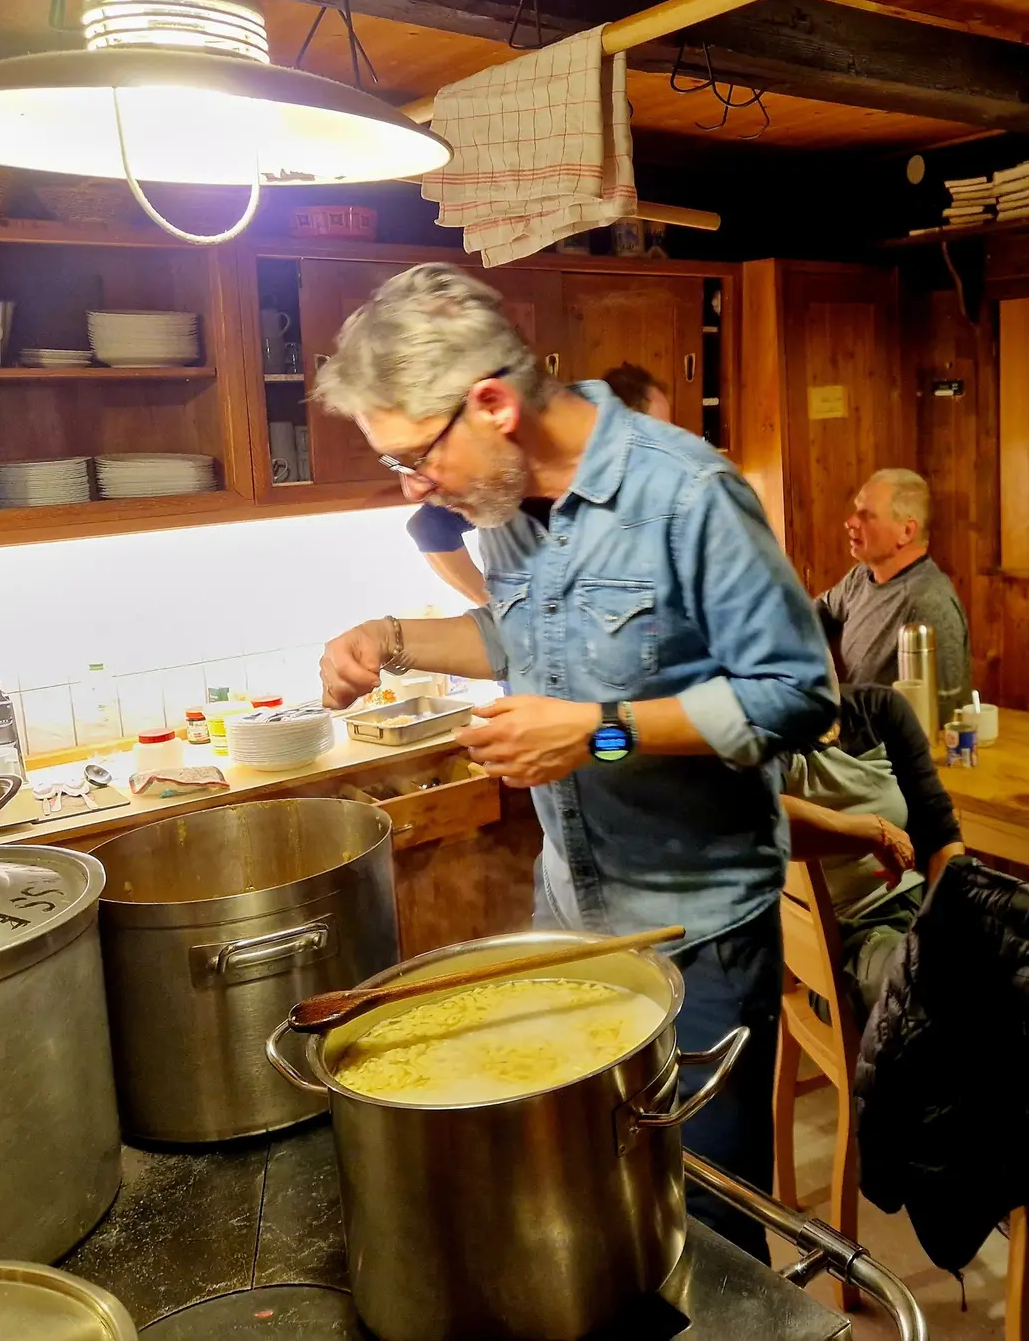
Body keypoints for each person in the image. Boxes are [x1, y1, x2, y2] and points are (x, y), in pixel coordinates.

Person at [309, 266, 835, 1260]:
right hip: (572, 915)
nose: (416, 489)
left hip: (698, 933)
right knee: (602, 1206)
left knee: (711, 1232)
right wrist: (391, 638)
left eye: (415, 460)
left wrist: (596, 730)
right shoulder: (505, 509)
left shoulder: (688, 496)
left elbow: (797, 696)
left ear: (494, 405)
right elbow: (521, 641)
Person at [405, 363, 673, 607]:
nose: (661, 446)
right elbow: (430, 528)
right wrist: (489, 604)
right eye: (654, 430)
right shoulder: (519, 482)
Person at [780, 682, 967, 1021]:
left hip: (922, 907)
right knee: (931, 986)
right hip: (847, 944)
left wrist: (944, 919)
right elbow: (754, 811)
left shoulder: (878, 709)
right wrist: (868, 832)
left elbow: (942, 833)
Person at [814, 468, 971, 723]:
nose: (850, 522)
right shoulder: (860, 577)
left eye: (867, 515)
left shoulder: (929, 603)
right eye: (856, 511)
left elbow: (943, 717)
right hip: (853, 734)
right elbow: (819, 611)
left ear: (906, 532)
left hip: (890, 754)